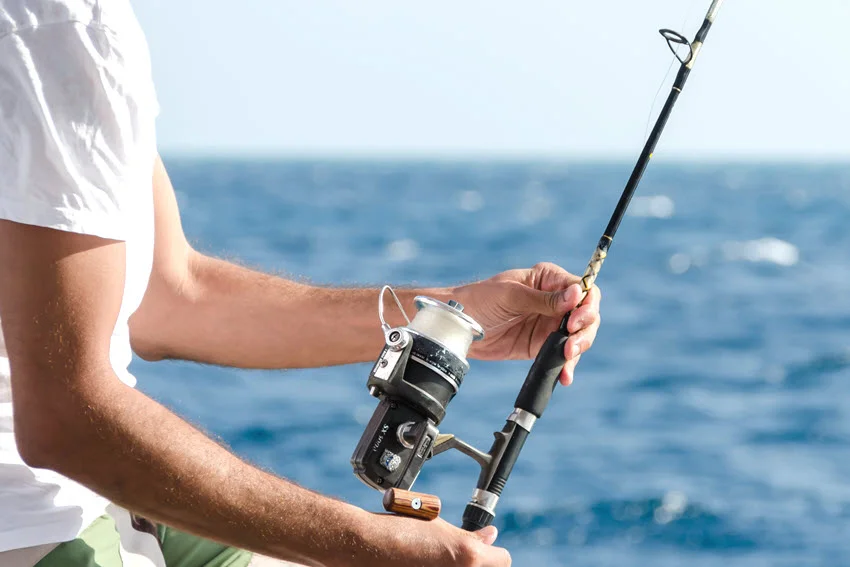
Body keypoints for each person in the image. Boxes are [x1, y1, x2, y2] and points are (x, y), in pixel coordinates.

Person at [0, 1, 602, 566]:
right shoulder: (59, 34)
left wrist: (448, 317)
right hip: (33, 521)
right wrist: (365, 544)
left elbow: (170, 296)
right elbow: (64, 418)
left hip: (82, 493)